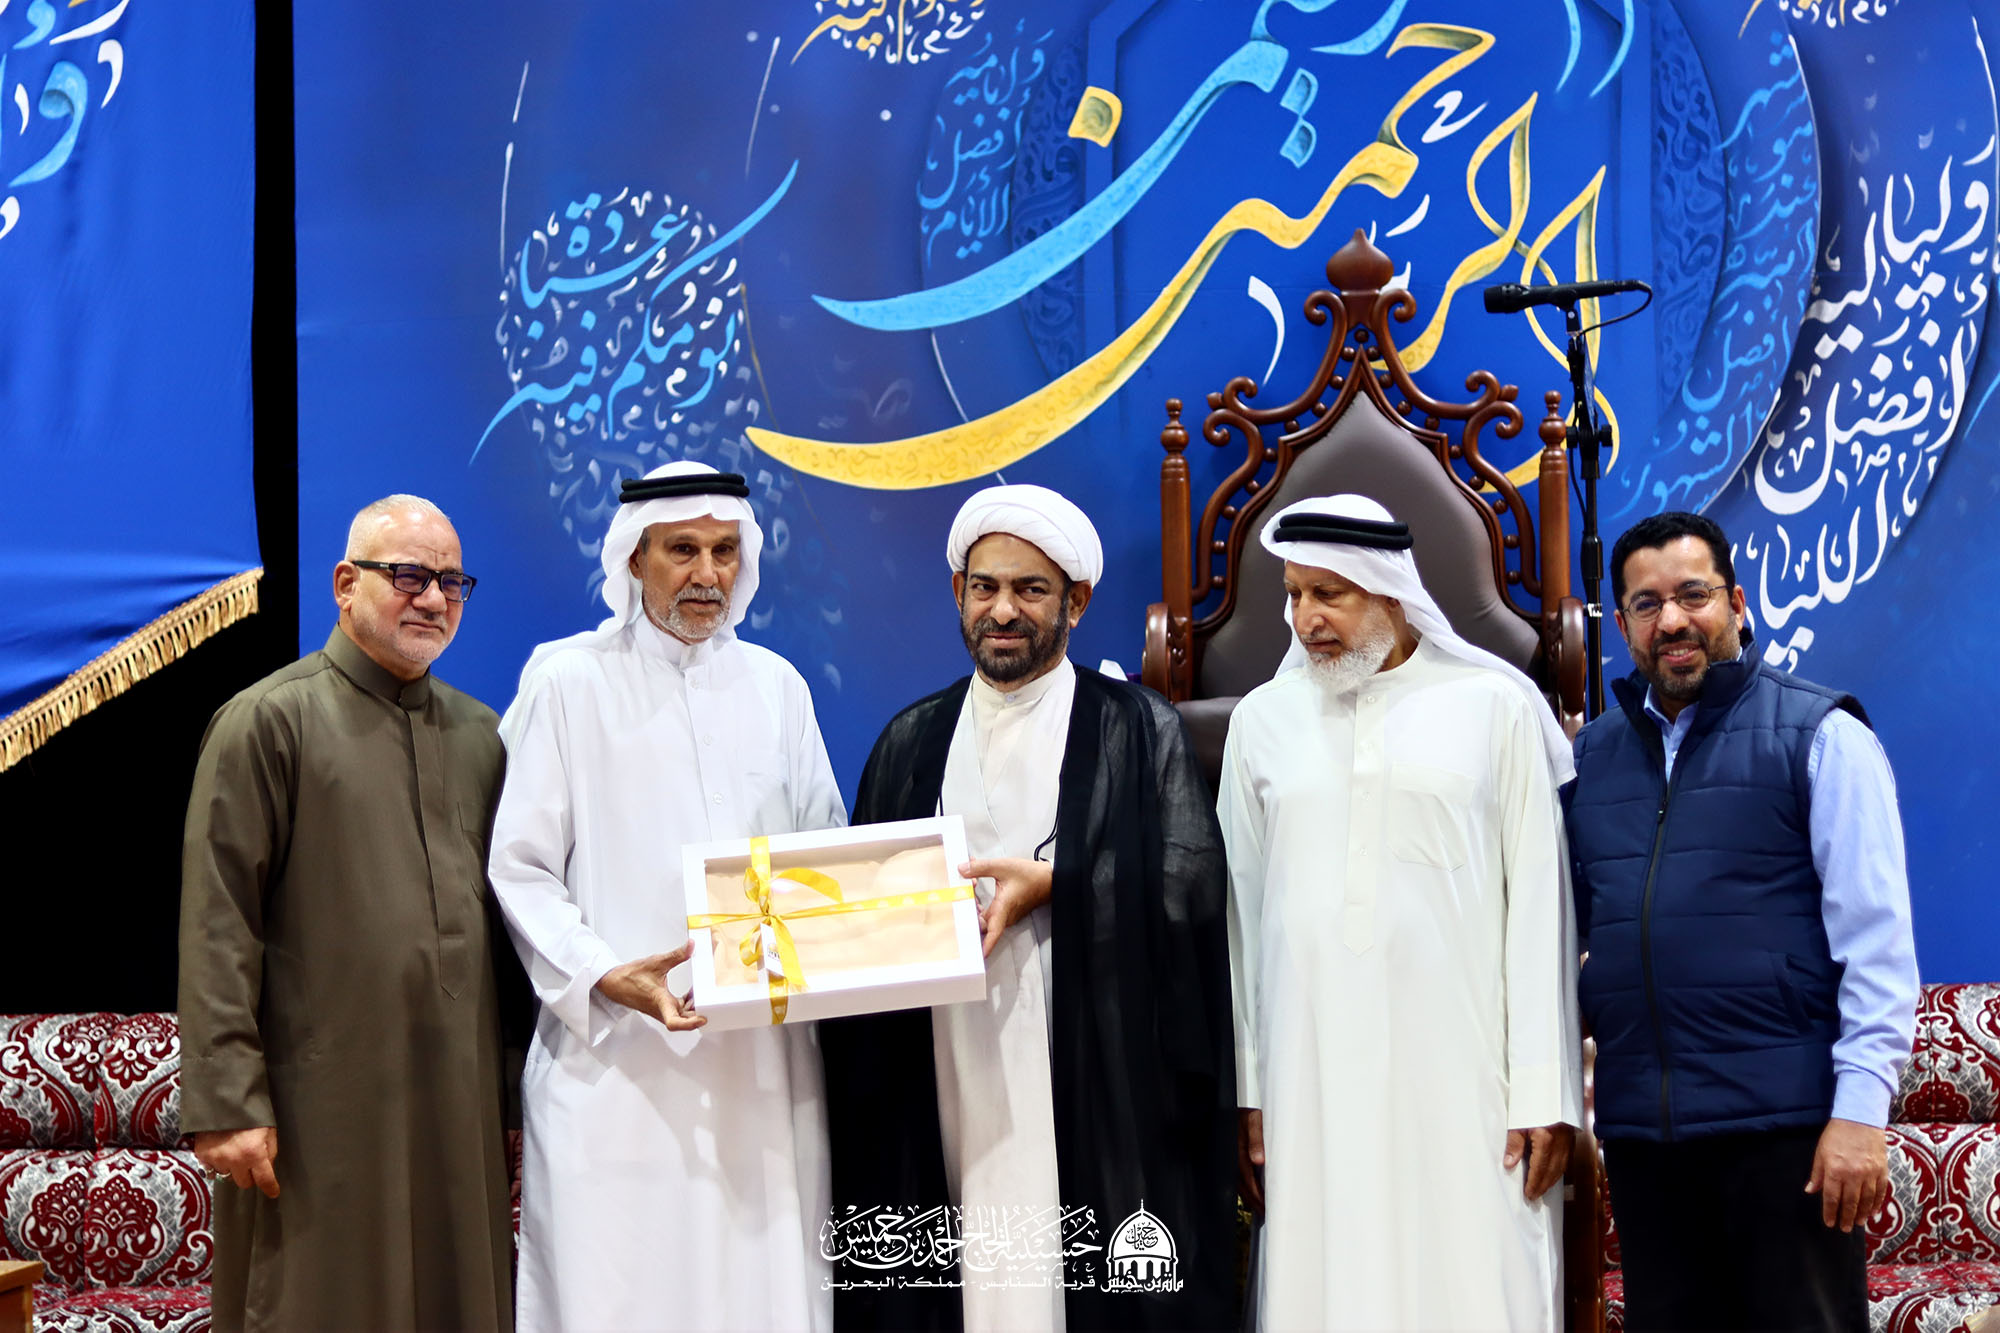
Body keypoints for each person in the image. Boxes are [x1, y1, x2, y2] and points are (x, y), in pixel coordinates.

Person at [818, 484, 1238, 1332]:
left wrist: (1061, 884)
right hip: (945, 1056)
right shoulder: (910, 739)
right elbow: (860, 912)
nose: (1002, 610)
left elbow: (1189, 884)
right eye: (985, 587)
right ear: (958, 592)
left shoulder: (1136, 729)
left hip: (1091, 1062)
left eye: (1030, 589)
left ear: (1076, 602)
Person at [489, 460, 846, 1332]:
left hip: (761, 1070)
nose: (707, 573)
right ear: (633, 558)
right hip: (618, 1066)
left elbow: (823, 854)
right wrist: (603, 975)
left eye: (724, 551)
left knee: (762, 1292)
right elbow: (521, 866)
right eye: (682, 549)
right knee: (619, 1292)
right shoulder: (568, 681)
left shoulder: (778, 686)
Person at [1219, 494, 1582, 1331]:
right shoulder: (1261, 722)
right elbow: (1238, 919)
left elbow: (1539, 908)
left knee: (1472, 1277)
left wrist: (1543, 1088)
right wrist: (1250, 1089)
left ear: (1391, 592)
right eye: (1293, 593)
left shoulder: (1492, 707)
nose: (1305, 618)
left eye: (1329, 593)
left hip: (1466, 1078)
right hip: (1307, 1069)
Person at [1567, 510, 1919, 1332]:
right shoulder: (1591, 760)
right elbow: (1574, 936)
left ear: (1736, 601)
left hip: (1787, 1137)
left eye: (1693, 594)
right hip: (1648, 1142)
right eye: (1647, 604)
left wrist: (1860, 1115)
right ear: (1622, 625)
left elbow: (1878, 946)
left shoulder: (1820, 735)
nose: (1673, 620)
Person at [179, 496, 515, 1332]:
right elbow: (219, 920)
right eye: (407, 575)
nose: (432, 598)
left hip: (456, 1102)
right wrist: (228, 1099)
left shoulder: (482, 736)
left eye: (451, 582)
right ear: (343, 583)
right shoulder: (267, 721)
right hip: (317, 1107)